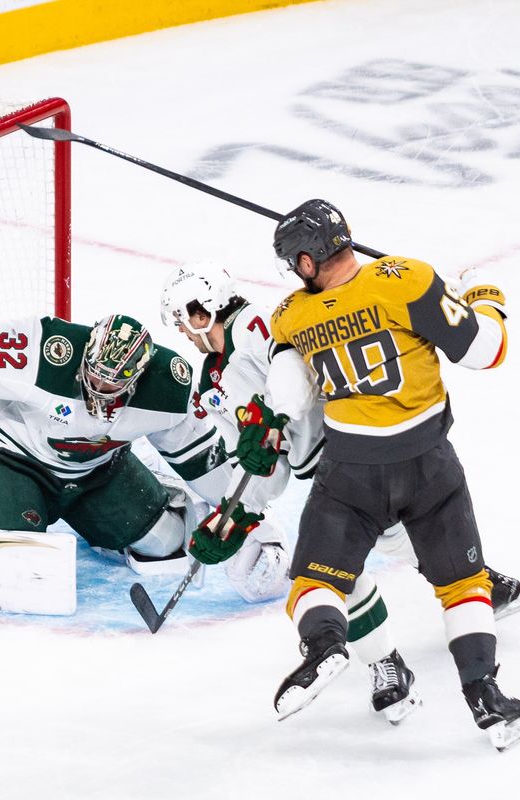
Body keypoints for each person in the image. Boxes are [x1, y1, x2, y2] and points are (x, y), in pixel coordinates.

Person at [236, 199, 520, 750]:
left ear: (307, 262)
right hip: (428, 465)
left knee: (315, 582)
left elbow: (290, 391)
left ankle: (325, 645)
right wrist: (482, 296)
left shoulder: (292, 315)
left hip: (350, 471)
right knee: (464, 586)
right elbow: (487, 352)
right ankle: (485, 695)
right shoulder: (407, 279)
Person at [160, 261, 420, 723]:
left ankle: (463, 587)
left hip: (354, 439)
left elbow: (303, 379)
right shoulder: (212, 383)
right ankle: (448, 601)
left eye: (186, 316)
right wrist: (234, 518)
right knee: (362, 551)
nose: (183, 328)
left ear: (208, 309)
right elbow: (261, 463)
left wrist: (274, 418)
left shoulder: (260, 327)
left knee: (358, 552)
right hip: (324, 468)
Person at [0, 312, 267, 581]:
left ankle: (135, 509)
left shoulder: (169, 387)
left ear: (138, 376)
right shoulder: (44, 350)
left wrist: (241, 511)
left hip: (98, 471)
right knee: (18, 564)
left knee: (167, 542)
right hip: (9, 460)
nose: (97, 387)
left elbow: (202, 458)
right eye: (93, 374)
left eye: (111, 384)